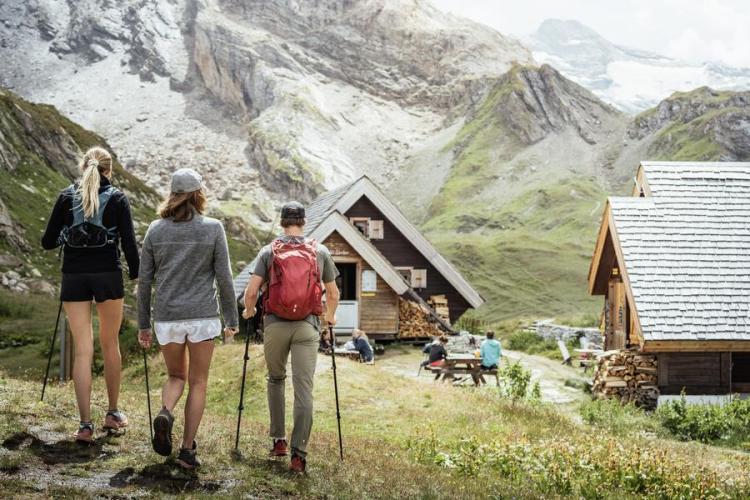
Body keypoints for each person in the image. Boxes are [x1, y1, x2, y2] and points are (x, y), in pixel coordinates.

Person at [136, 168, 239, 469]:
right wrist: (231, 319)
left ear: (173, 195)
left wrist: (144, 325)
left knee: (175, 376)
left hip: (167, 317)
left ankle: (166, 412)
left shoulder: (156, 229)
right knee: (199, 382)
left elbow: (145, 281)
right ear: (198, 194)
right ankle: (186, 450)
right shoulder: (213, 228)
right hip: (202, 316)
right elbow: (225, 278)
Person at [41, 146, 139, 443]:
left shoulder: (65, 196)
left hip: (74, 276)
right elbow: (130, 245)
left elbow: (47, 242)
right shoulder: (118, 198)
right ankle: (112, 412)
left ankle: (85, 425)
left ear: (82, 166)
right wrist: (136, 274)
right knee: (110, 345)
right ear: (110, 170)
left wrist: (66, 237)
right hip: (107, 275)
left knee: (83, 349)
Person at [242, 201, 340, 474]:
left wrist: (250, 311)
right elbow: (333, 294)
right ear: (304, 222)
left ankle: (278, 441)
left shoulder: (269, 251)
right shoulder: (319, 250)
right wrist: (329, 316)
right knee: (304, 389)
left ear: (282, 222)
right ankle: (299, 454)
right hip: (307, 326)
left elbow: (251, 292)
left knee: (276, 379)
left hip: (275, 325)